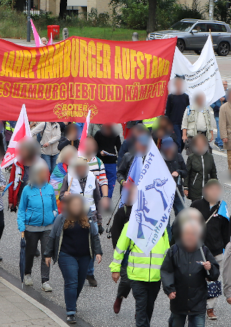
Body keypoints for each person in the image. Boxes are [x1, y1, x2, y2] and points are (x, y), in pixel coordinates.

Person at [44, 194, 103, 324]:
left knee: (80, 282)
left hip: (85, 256)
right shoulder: (61, 218)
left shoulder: (88, 218)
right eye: (74, 205)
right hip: (66, 255)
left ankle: (71, 301)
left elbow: (94, 236)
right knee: (71, 280)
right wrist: (47, 254)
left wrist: (98, 252)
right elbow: (52, 236)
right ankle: (70, 311)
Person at [110, 212, 170, 327]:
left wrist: (170, 271)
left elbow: (166, 251)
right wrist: (115, 268)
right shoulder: (132, 225)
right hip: (136, 276)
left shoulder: (161, 227)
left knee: (149, 308)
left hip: (155, 277)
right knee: (141, 309)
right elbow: (120, 248)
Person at [161, 218, 220, 327]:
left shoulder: (204, 250)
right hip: (179, 301)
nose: (190, 236)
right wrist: (169, 289)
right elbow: (166, 271)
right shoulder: (174, 250)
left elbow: (215, 274)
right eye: (187, 233)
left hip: (198, 302)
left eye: (193, 234)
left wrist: (210, 268)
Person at [59, 155, 102, 287]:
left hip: (90, 215)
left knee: (91, 243)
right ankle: (75, 267)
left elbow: (97, 199)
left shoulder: (92, 178)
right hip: (74, 215)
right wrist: (64, 196)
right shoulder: (68, 178)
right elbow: (61, 196)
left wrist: (99, 219)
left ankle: (90, 272)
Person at [190, 179, 230, 320]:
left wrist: (228, 247)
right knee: (197, 279)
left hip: (217, 250)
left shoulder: (222, 207)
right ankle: (197, 304)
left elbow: (226, 230)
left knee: (213, 279)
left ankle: (210, 308)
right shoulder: (196, 205)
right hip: (198, 250)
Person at [17, 158, 57, 292]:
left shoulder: (50, 188)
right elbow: (21, 209)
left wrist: (54, 215)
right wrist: (21, 226)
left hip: (48, 227)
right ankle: (27, 273)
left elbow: (54, 206)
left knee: (47, 254)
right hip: (31, 228)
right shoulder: (27, 190)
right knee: (30, 252)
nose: (45, 175)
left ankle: (45, 280)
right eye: (42, 173)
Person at [110, 184, 135, 314]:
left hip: (142, 253)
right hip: (126, 253)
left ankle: (140, 309)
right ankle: (120, 297)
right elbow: (115, 232)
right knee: (126, 281)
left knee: (140, 285)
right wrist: (116, 248)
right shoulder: (123, 212)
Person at [7, 139, 40, 211]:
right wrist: (11, 200)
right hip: (21, 198)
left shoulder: (39, 163)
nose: (20, 152)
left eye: (23, 150)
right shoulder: (17, 163)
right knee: (23, 219)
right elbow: (11, 182)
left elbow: (45, 182)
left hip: (36, 199)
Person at [184, 133, 217, 201]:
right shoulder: (191, 157)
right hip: (195, 190)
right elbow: (187, 173)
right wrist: (186, 188)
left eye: (202, 144)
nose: (200, 146)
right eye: (198, 144)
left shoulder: (210, 157)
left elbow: (213, 173)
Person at [94, 124, 122, 198]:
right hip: (99, 162)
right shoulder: (98, 134)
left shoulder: (115, 134)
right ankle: (100, 200)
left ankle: (107, 201)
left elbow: (120, 149)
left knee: (110, 184)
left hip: (111, 162)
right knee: (99, 182)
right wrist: (100, 152)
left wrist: (120, 162)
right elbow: (93, 148)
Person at [162, 137, 187, 214]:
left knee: (181, 215)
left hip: (177, 191)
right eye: (166, 148)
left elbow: (186, 172)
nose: (168, 150)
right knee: (165, 218)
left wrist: (178, 172)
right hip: (165, 194)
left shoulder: (178, 156)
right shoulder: (159, 159)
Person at [165, 76, 190, 148]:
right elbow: (168, 111)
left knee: (183, 142)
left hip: (184, 123)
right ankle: (178, 157)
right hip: (174, 123)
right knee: (177, 141)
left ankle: (179, 154)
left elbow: (188, 110)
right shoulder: (171, 97)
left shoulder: (186, 97)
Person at [210, 80, 229, 150]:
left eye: (226, 84)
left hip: (226, 113)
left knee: (224, 128)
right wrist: (218, 108)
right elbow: (211, 103)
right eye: (224, 84)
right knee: (220, 128)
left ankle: (218, 141)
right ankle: (221, 144)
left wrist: (225, 99)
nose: (225, 86)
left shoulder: (228, 92)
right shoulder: (216, 92)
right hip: (218, 113)